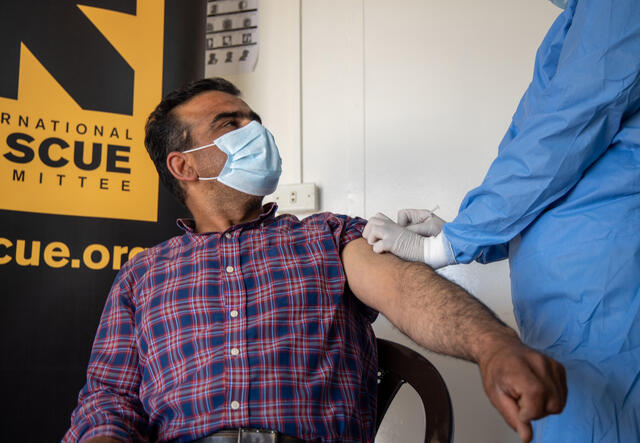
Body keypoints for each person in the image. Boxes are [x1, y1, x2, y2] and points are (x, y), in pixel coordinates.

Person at [64, 78, 566, 443]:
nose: (255, 132)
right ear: (184, 165)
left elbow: (405, 290)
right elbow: (109, 396)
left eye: (254, 121)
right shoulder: (143, 274)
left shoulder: (327, 236)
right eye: (230, 124)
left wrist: (493, 345)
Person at [363, 0, 640, 441]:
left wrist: (453, 242)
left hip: (608, 292)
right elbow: (549, 159)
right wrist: (462, 229)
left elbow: (563, 132)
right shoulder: (577, 19)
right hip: (583, 296)